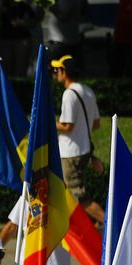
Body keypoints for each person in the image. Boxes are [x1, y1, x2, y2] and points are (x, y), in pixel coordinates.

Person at [52, 56, 104, 223]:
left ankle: (111, 225)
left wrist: (48, 124)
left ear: (64, 72)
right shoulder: (87, 90)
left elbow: (67, 126)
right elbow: (96, 124)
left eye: (57, 70)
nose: (55, 74)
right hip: (84, 150)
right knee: (75, 196)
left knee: (78, 197)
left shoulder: (69, 94)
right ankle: (91, 232)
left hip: (70, 152)